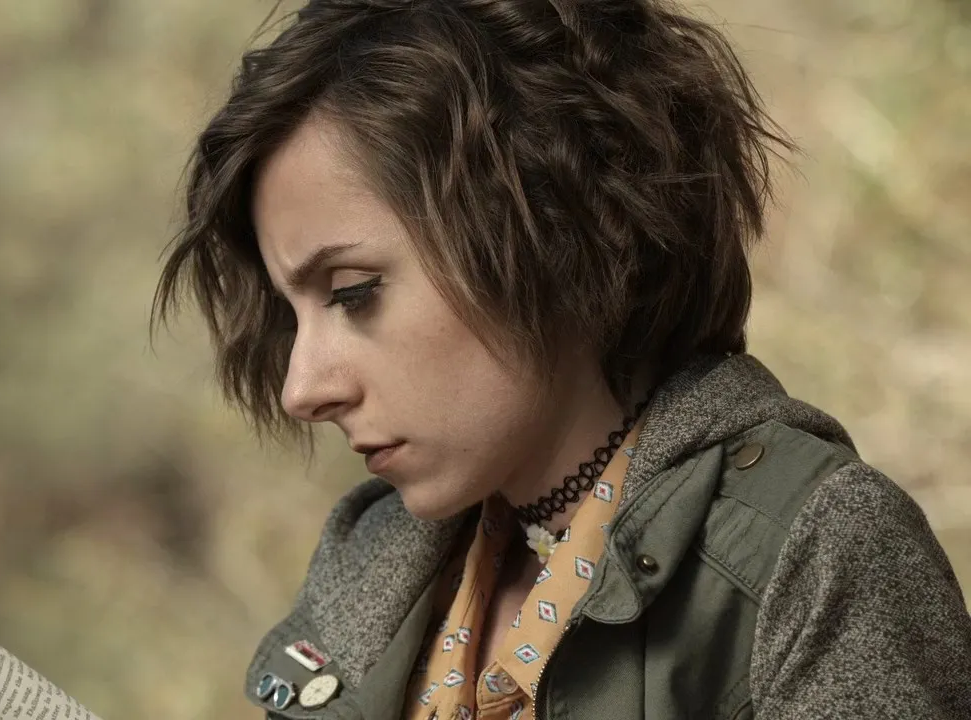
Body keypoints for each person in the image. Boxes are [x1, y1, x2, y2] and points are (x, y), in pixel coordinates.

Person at [153, 0, 971, 717]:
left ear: (547, 226)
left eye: (353, 291)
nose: (301, 388)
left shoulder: (813, 551)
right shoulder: (371, 562)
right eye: (289, 314)